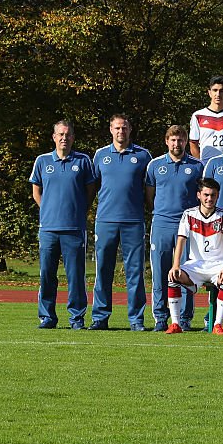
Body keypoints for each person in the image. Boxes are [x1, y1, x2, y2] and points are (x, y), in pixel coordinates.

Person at [30, 120, 96, 329]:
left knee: (76, 276)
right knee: (47, 275)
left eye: (67, 134)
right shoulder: (42, 161)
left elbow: (90, 191)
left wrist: (78, 211)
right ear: (54, 137)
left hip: (74, 229)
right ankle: (47, 317)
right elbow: (36, 191)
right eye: (60, 134)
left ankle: (76, 318)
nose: (64, 138)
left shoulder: (83, 161)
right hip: (48, 228)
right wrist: (48, 209)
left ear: (73, 138)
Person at [90, 114, 153, 331]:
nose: (120, 132)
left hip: (133, 221)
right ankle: (100, 317)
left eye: (124, 128)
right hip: (105, 220)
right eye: (117, 128)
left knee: (135, 271)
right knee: (103, 270)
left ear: (130, 129)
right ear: (110, 129)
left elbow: (149, 190)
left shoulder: (144, 156)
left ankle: (136, 319)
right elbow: (93, 187)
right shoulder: (100, 155)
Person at [144, 125, 203, 331]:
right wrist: (160, 213)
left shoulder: (197, 166)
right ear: (166, 141)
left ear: (186, 141)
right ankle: (161, 317)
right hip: (161, 224)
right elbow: (150, 195)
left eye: (180, 140)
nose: (177, 144)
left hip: (187, 226)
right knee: (160, 272)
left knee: (186, 273)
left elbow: (201, 197)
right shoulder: (155, 165)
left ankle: (185, 319)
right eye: (173, 140)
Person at [164, 178, 223, 334]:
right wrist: (175, 265)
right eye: (206, 195)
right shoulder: (189, 214)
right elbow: (181, 240)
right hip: (195, 265)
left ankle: (218, 325)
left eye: (213, 195)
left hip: (218, 265)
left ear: (218, 196)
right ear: (199, 195)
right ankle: (175, 324)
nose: (209, 199)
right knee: (173, 276)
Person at [189, 76, 223, 163]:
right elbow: (193, 144)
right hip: (206, 164)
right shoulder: (198, 115)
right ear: (209, 93)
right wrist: (201, 163)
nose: (218, 94)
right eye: (215, 90)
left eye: (222, 91)